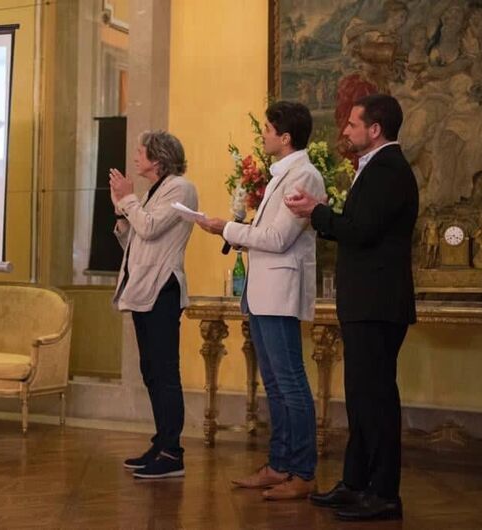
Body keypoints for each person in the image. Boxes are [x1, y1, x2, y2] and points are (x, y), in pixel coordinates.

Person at [284, 94, 418, 521]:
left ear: (374, 129)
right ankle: (356, 483)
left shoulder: (389, 170)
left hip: (378, 302)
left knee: (375, 399)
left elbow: (360, 231)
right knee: (361, 398)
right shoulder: (377, 169)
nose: (345, 131)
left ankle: (383, 493)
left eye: (353, 124)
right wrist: (322, 213)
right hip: (367, 301)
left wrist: (316, 212)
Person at [197, 101, 324, 500]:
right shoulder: (280, 175)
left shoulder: (304, 176)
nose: (263, 135)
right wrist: (233, 229)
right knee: (274, 383)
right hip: (264, 292)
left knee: (291, 384)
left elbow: (277, 239)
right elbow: (268, 232)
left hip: (281, 294)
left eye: (268, 129)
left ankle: (302, 472)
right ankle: (279, 464)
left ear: (285, 138)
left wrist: (227, 229)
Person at [109, 130, 198, 479]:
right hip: (145, 289)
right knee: (151, 371)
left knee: (165, 372)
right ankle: (160, 441)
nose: (135, 156)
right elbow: (136, 241)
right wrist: (121, 207)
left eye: (141, 152)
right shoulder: (152, 192)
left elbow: (148, 228)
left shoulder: (180, 188)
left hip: (163, 289)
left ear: (158, 159)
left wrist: (128, 200)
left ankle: (172, 452)